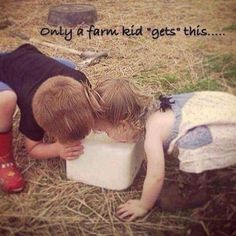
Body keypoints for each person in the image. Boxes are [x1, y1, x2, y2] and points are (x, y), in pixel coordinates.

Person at [94, 78, 236, 221]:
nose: (109, 137)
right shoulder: (158, 109)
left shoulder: (152, 134)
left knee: (167, 199)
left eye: (107, 132)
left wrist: (144, 205)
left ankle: (198, 189)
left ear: (123, 125)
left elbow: (156, 177)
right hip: (225, 111)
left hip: (224, 134)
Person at [0, 44, 100, 193]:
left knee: (70, 65)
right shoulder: (32, 109)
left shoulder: (81, 81)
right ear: (44, 126)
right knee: (7, 99)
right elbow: (32, 148)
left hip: (28, 56)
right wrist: (56, 149)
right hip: (4, 66)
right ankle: (3, 157)